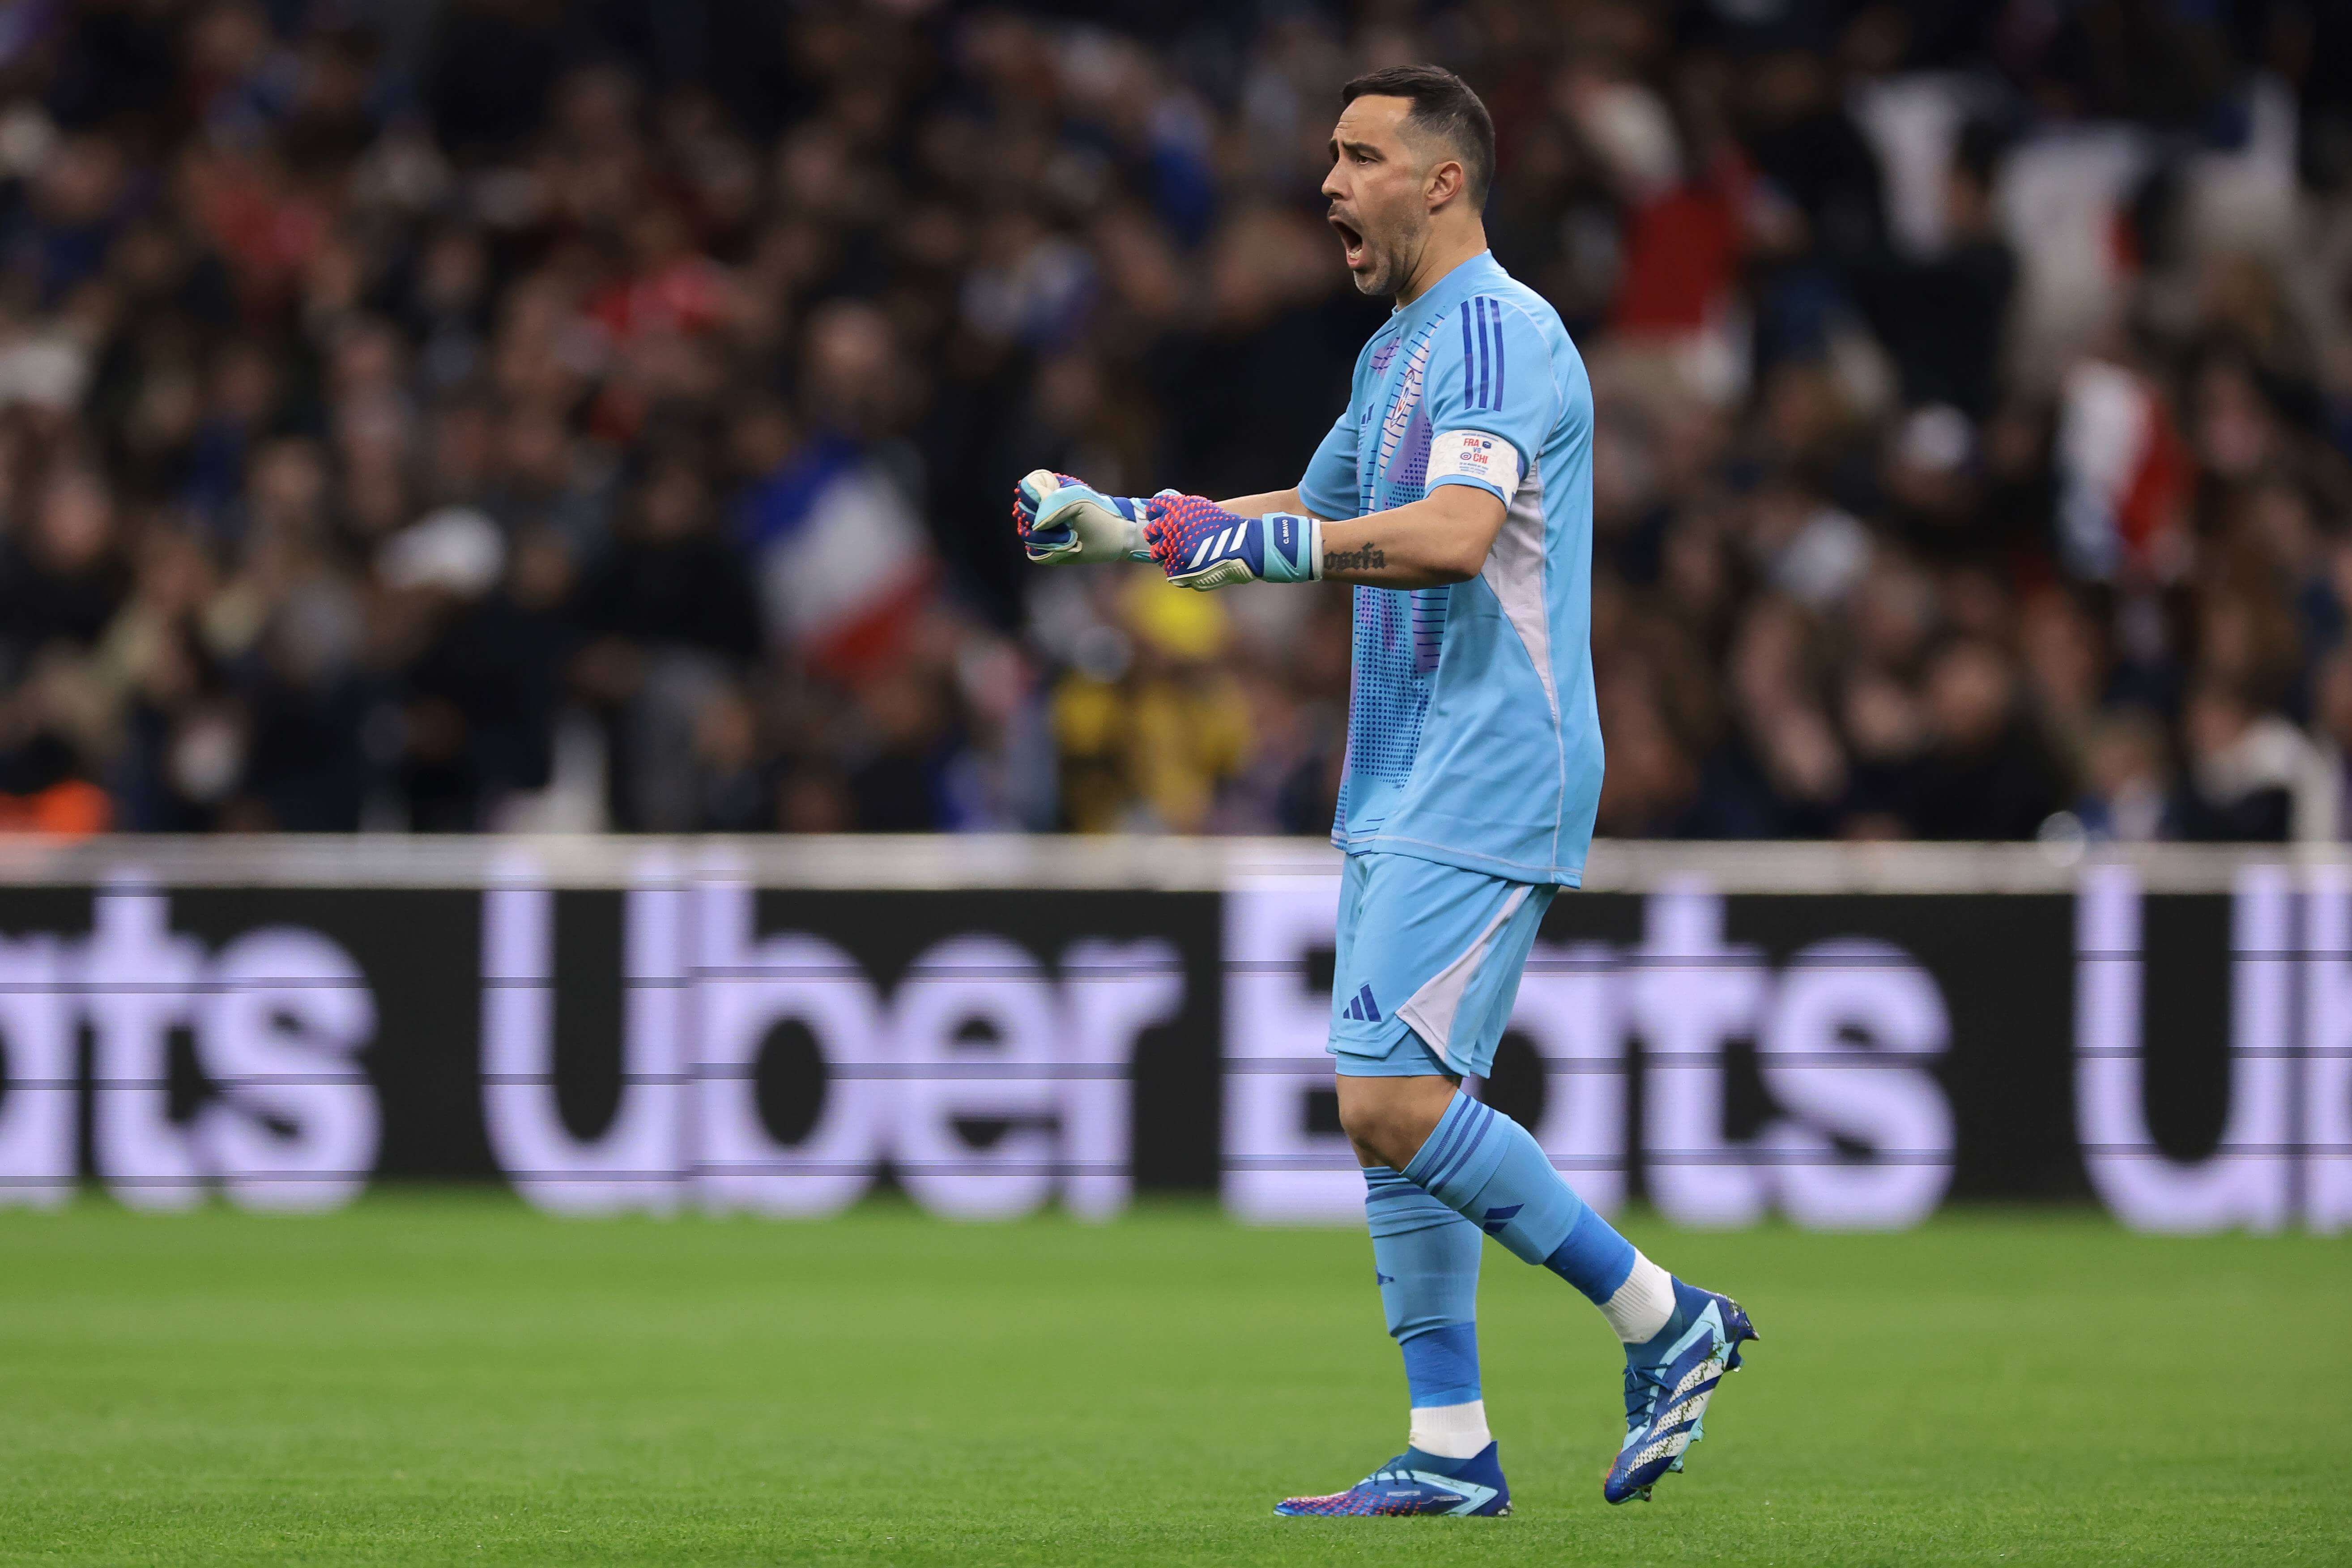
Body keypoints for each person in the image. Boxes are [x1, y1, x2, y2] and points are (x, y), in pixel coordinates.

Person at [1012, 64, 1758, 1517]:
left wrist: (1260, 560)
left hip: (1493, 761)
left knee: (1388, 1098)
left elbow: (1456, 534)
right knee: (1400, 1104)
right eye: (1328, 159)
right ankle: (1453, 1445)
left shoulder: (1501, 332)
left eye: (1360, 157)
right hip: (1408, 765)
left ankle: (1668, 1320)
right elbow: (1319, 512)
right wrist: (1131, 528)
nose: (1331, 185)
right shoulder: (1399, 352)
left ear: (1444, 180)